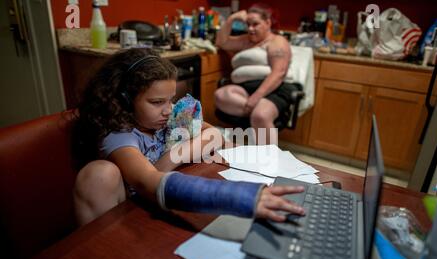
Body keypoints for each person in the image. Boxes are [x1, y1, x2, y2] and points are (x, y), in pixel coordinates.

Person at [72, 48, 305, 226]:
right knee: (100, 173)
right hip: (132, 214)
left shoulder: (164, 117)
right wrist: (239, 197)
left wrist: (260, 161)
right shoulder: (119, 135)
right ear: (124, 99)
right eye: (156, 102)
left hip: (158, 206)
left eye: (170, 99)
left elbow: (215, 134)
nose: (168, 109)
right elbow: (148, 181)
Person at [215, 4, 300, 143]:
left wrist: (256, 97)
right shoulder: (245, 40)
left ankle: (268, 160)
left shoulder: (276, 41)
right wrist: (232, 19)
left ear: (267, 23)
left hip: (275, 88)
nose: (250, 29)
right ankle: (257, 111)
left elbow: (279, 73)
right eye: (248, 24)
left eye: (255, 24)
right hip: (246, 88)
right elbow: (221, 42)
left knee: (260, 115)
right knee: (221, 95)